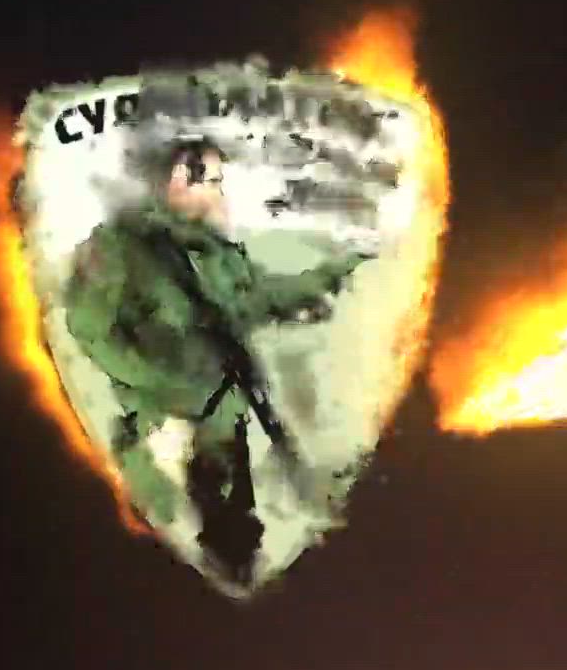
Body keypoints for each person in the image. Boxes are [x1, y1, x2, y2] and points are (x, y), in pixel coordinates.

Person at [64, 138, 373, 584]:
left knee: (244, 548)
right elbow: (90, 332)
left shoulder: (215, 253)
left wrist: (338, 268)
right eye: (214, 181)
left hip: (228, 420)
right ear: (178, 180)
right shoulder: (119, 247)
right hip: (167, 431)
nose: (221, 194)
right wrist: (161, 381)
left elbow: (261, 298)